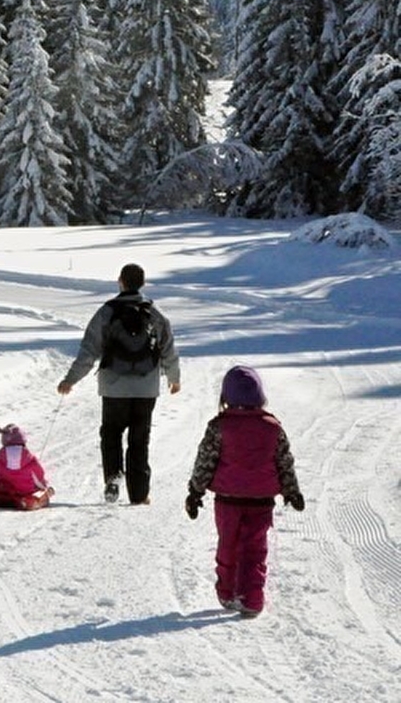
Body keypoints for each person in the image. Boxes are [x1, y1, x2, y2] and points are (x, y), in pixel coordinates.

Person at [184, 365, 304, 618]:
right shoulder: (273, 428)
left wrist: (195, 491)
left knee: (227, 544)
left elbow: (206, 461)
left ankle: (227, 592)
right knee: (255, 548)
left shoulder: (219, 426)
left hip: (227, 501)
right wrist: (291, 490)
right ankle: (252, 598)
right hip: (261, 501)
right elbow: (284, 462)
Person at [57, 263, 180, 505]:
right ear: (142, 284)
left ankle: (113, 477)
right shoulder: (155, 313)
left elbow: (88, 351)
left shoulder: (107, 312)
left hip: (113, 387)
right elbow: (168, 349)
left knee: (111, 434)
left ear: (120, 282)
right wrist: (174, 378)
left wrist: (70, 380)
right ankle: (139, 494)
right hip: (146, 388)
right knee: (139, 439)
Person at [0, 423, 54, 510]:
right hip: (23, 493)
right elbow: (38, 479)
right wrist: (45, 487)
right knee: (40, 494)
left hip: (1, 491)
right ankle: (28, 502)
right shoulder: (31, 459)